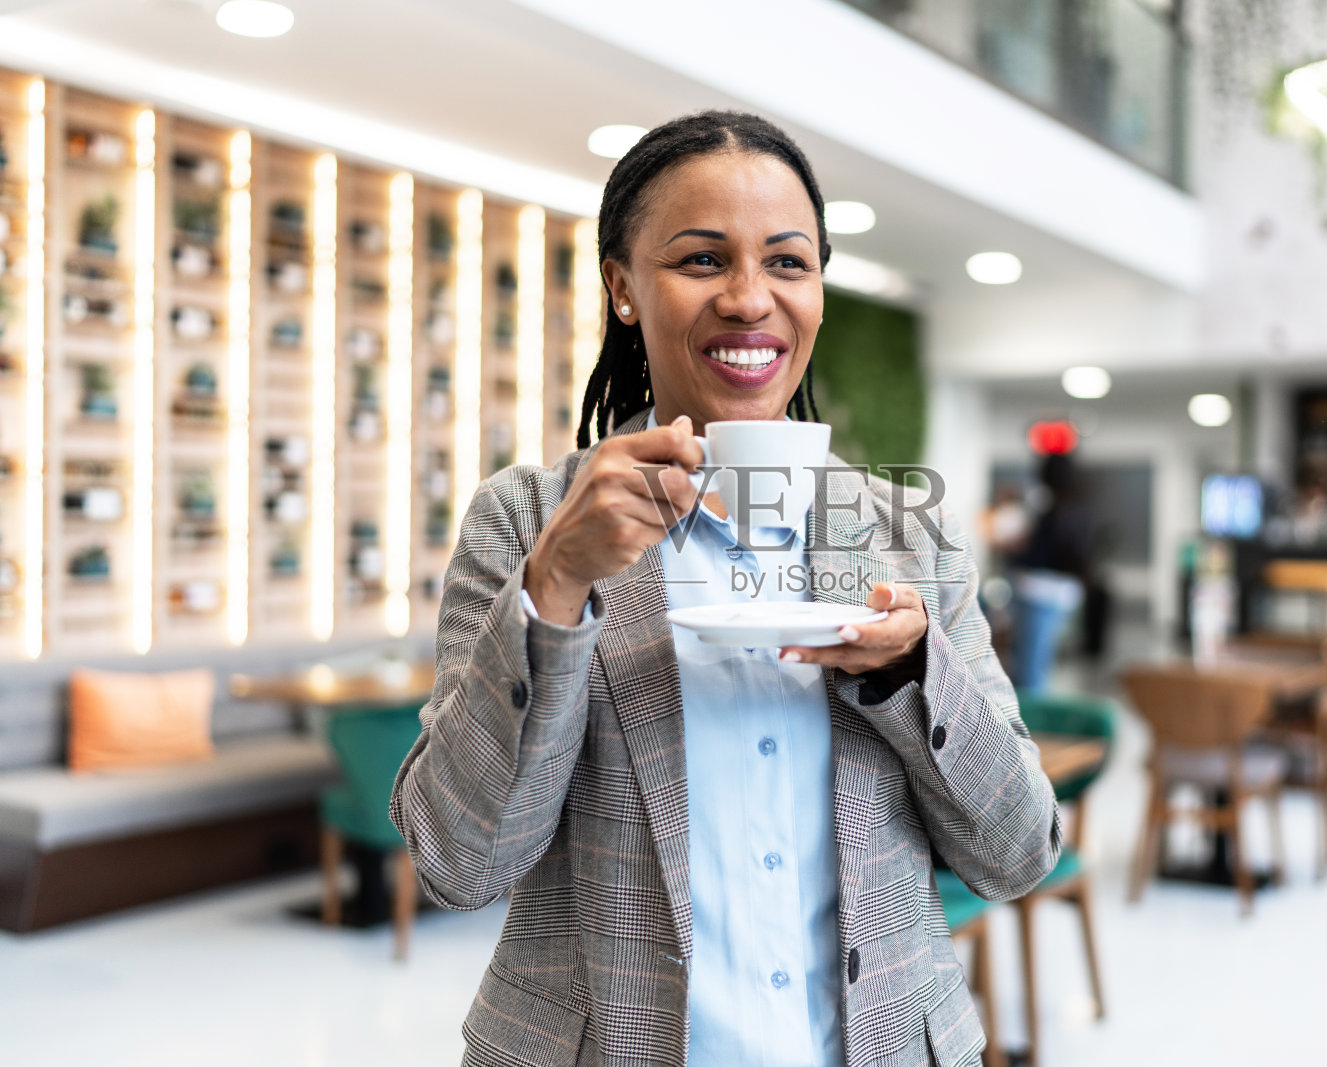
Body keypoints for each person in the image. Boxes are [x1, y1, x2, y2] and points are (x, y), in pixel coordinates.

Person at [390, 112, 1061, 1067]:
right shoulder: (529, 520)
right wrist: (558, 587)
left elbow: (1017, 851)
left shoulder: (908, 536)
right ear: (623, 286)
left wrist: (915, 671)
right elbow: (458, 860)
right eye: (702, 260)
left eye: (788, 263)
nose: (751, 300)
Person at [1007, 451, 1094, 691]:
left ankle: (1026, 726)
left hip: (1040, 594)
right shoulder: (1080, 508)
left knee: (1029, 671)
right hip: (1064, 594)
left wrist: (1014, 550)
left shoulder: (1055, 511)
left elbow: (1038, 556)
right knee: (1040, 664)